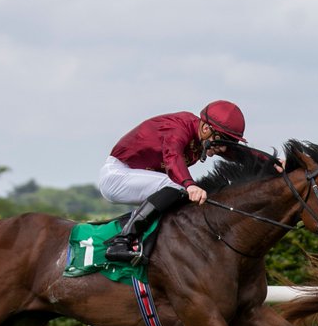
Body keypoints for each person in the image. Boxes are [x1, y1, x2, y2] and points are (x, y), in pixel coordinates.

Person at [97, 100, 247, 265]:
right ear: (206, 129)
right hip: (117, 175)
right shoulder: (179, 128)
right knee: (178, 186)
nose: (223, 149)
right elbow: (172, 158)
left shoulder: (204, 137)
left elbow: (238, 154)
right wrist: (190, 184)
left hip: (135, 175)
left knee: (179, 194)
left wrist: (274, 164)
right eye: (222, 140)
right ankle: (122, 242)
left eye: (228, 143)